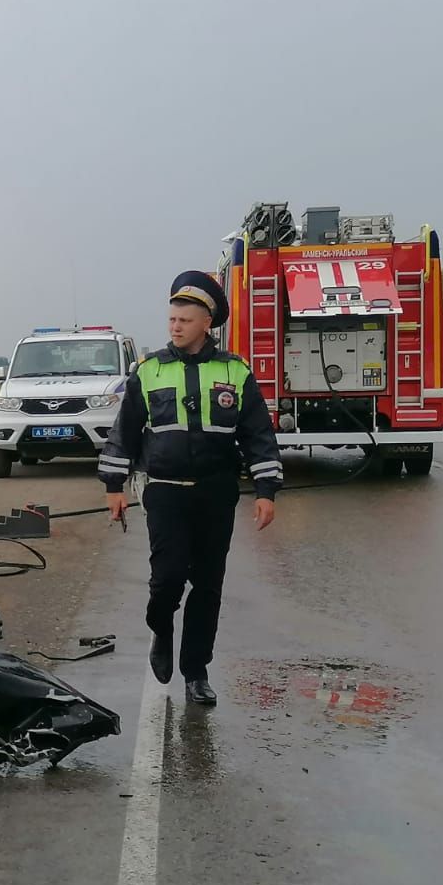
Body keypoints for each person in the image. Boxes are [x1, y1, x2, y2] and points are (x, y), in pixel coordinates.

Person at [97, 272, 282, 705]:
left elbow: (258, 434)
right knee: (167, 580)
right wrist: (114, 484)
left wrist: (267, 489)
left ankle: (196, 671)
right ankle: (161, 629)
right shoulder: (149, 370)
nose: (175, 326)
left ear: (206, 324)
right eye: (171, 319)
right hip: (165, 490)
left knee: (208, 584)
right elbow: (124, 431)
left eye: (184, 320)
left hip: (216, 493)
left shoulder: (234, 371)